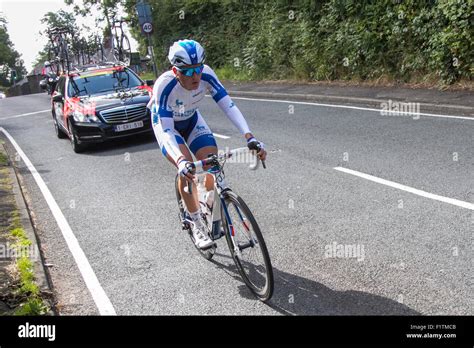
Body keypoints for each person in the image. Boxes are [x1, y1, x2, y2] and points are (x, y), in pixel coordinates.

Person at [148, 39, 266, 249]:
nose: (195, 76)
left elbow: (228, 105)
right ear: (176, 71)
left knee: (212, 162)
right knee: (188, 171)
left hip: (192, 119)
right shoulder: (164, 86)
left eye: (198, 69)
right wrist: (182, 161)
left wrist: (250, 137)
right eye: (188, 71)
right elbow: (166, 131)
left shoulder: (207, 75)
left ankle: (208, 204)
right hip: (168, 125)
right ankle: (195, 223)